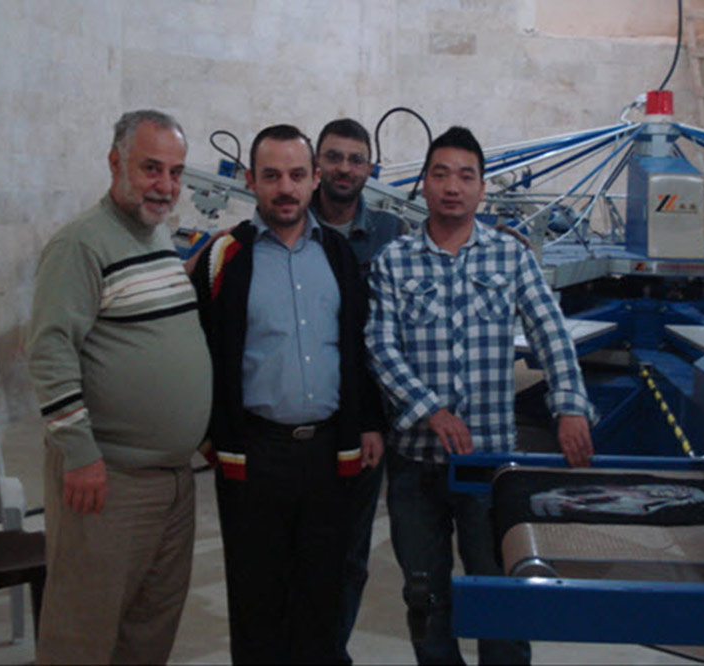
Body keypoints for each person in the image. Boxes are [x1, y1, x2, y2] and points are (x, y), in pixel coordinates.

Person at [365, 126, 596, 665]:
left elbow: (550, 331)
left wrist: (569, 405)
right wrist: (431, 411)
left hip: (490, 465)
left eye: (466, 176)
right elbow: (380, 346)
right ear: (424, 184)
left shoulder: (510, 257)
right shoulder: (394, 260)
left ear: (481, 188)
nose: (453, 187)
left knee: (500, 593)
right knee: (425, 595)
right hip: (416, 466)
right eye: (441, 174)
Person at [190, 124, 384, 664]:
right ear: (250, 180)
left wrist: (367, 421)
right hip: (255, 456)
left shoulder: (338, 255)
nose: (285, 188)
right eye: (271, 175)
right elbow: (200, 348)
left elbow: (357, 347)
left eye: (297, 175)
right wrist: (210, 434)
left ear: (314, 178)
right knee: (256, 600)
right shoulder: (225, 257)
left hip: (327, 456)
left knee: (321, 600)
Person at [27, 110, 212, 664]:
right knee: (83, 635)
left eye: (176, 172)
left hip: (172, 481)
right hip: (108, 480)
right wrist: (80, 453)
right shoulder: (81, 244)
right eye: (151, 168)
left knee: (148, 631)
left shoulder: (155, 235)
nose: (166, 185)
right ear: (115, 163)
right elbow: (50, 352)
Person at [310, 117, 408, 662]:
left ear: (370, 168)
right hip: (301, 417)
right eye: (334, 157)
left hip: (365, 423)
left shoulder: (392, 234)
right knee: (294, 550)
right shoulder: (293, 225)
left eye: (355, 159)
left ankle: (332, 652)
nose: (344, 168)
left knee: (350, 552)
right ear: (317, 163)